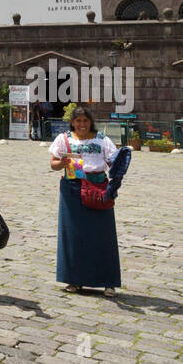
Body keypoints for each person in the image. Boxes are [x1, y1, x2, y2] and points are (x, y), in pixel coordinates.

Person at [49, 104, 121, 295]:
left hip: (98, 187)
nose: (82, 124)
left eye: (85, 121)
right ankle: (74, 280)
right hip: (72, 189)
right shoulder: (63, 139)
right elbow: (54, 164)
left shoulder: (102, 139)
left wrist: (115, 168)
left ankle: (108, 281)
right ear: (72, 122)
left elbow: (113, 161)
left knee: (103, 236)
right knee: (73, 235)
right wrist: (62, 162)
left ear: (91, 122)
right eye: (78, 121)